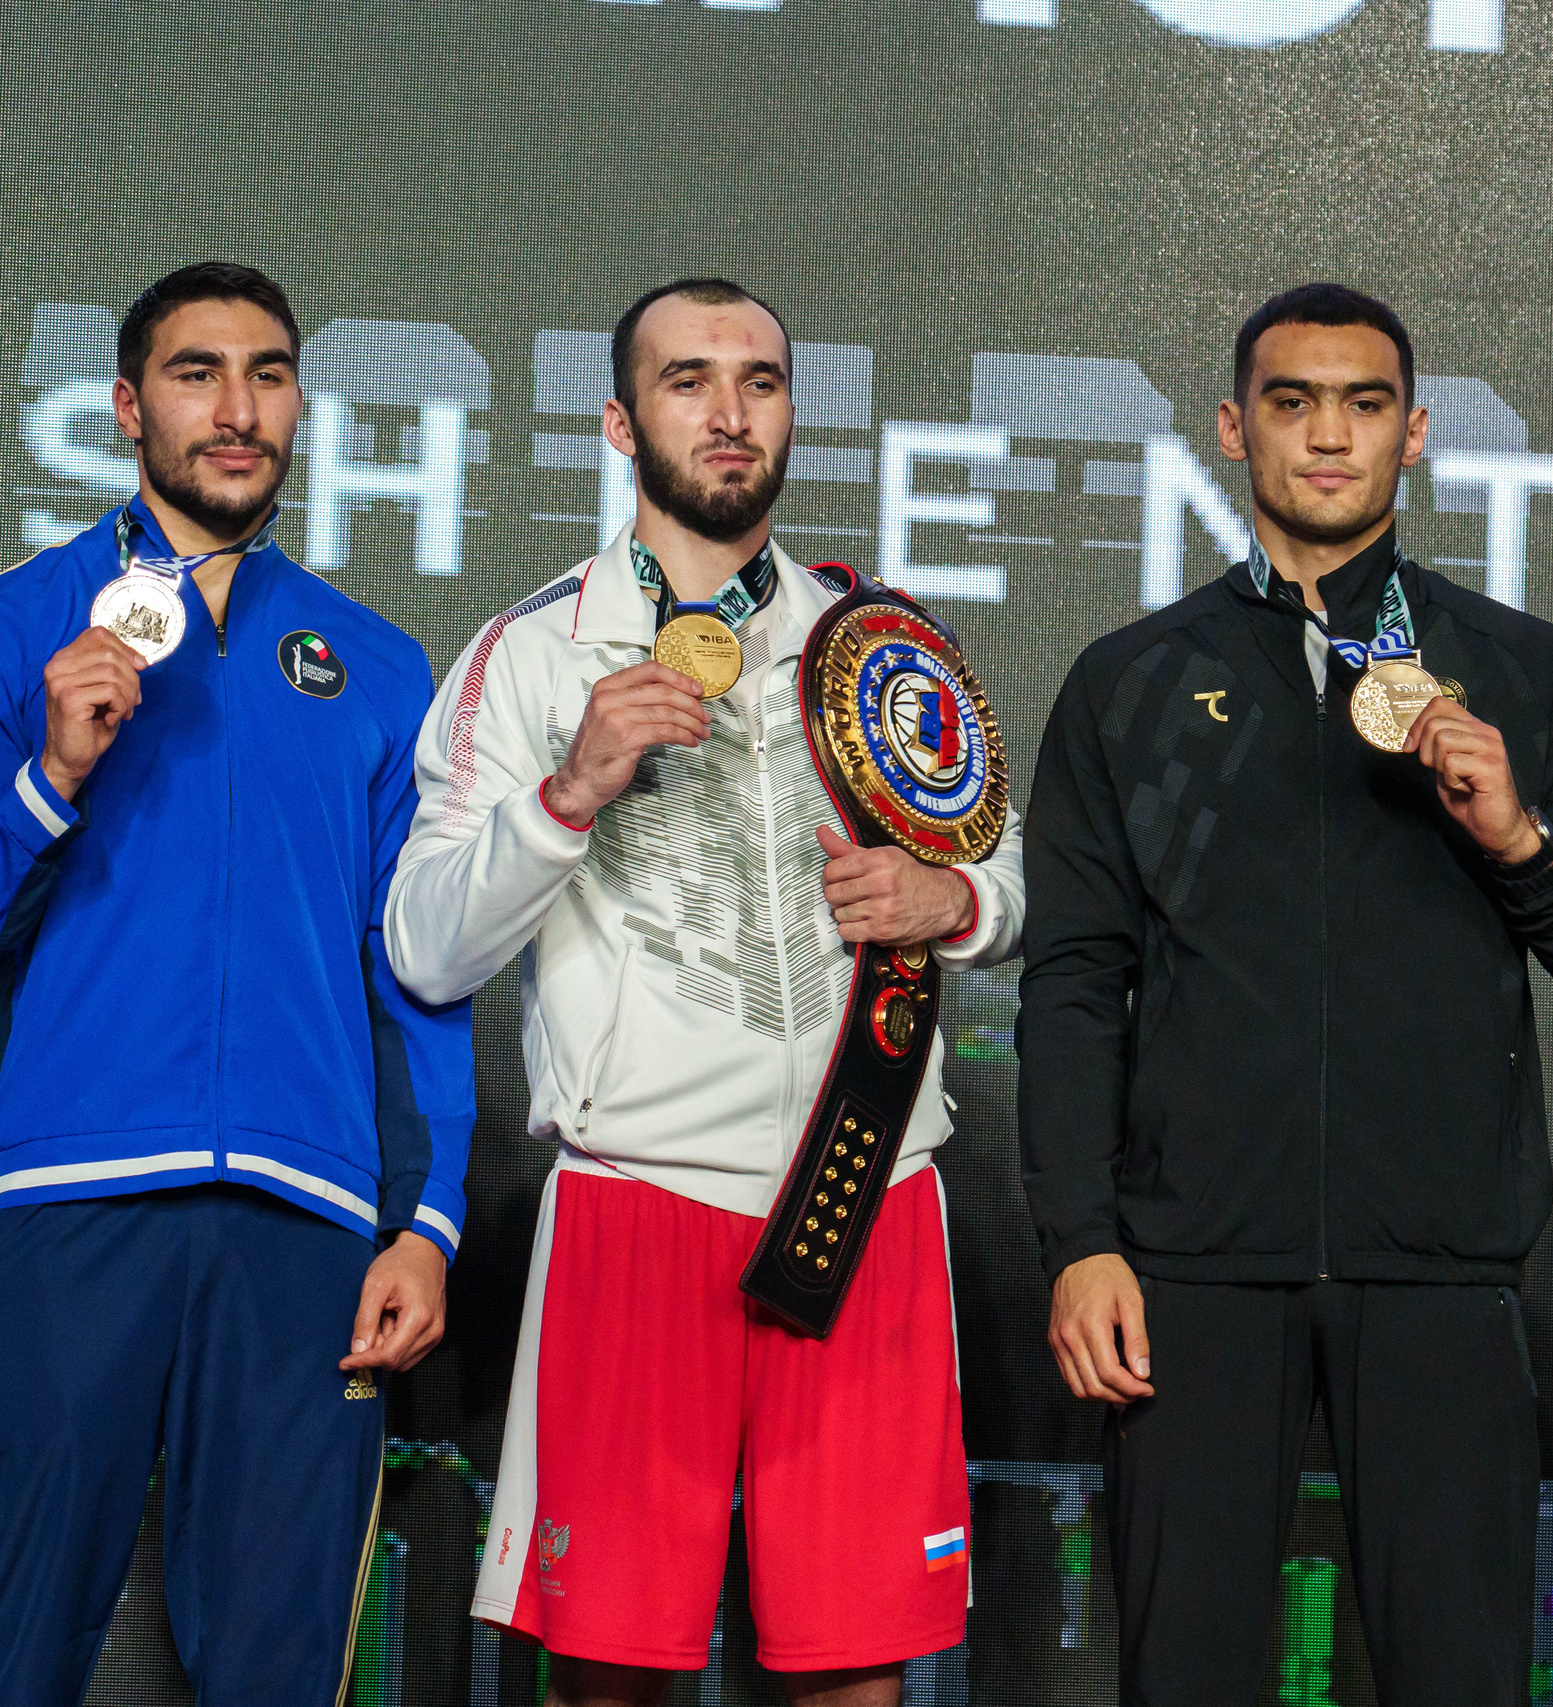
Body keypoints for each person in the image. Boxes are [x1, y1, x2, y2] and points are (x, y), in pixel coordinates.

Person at [1015, 282, 1553, 1704]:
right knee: (1176, 1677)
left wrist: (1515, 836)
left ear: (1415, 432)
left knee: (1460, 1679)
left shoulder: (1518, 671)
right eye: (1295, 402)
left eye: (1364, 404)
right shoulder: (1130, 682)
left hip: (1437, 1267)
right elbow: (1074, 979)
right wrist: (1080, 1236)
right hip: (1192, 1272)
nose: (1329, 437)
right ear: (1234, 426)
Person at [386, 278, 1023, 1707]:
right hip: (636, 1203)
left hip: (863, 1202)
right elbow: (426, 945)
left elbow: (1009, 873)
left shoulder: (880, 634)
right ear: (622, 418)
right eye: (688, 380)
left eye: (760, 380)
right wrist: (568, 793)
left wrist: (956, 899)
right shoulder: (536, 651)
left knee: (855, 1677)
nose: (729, 411)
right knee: (607, 1672)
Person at [0, 261, 474, 1707]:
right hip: (69, 1207)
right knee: (16, 1658)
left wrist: (432, 1221)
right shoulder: (7, 625)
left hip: (308, 1230)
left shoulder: (382, 667)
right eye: (200, 373)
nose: (238, 408)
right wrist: (51, 772)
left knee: (278, 1675)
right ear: (130, 407)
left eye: (268, 374)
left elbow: (422, 976)